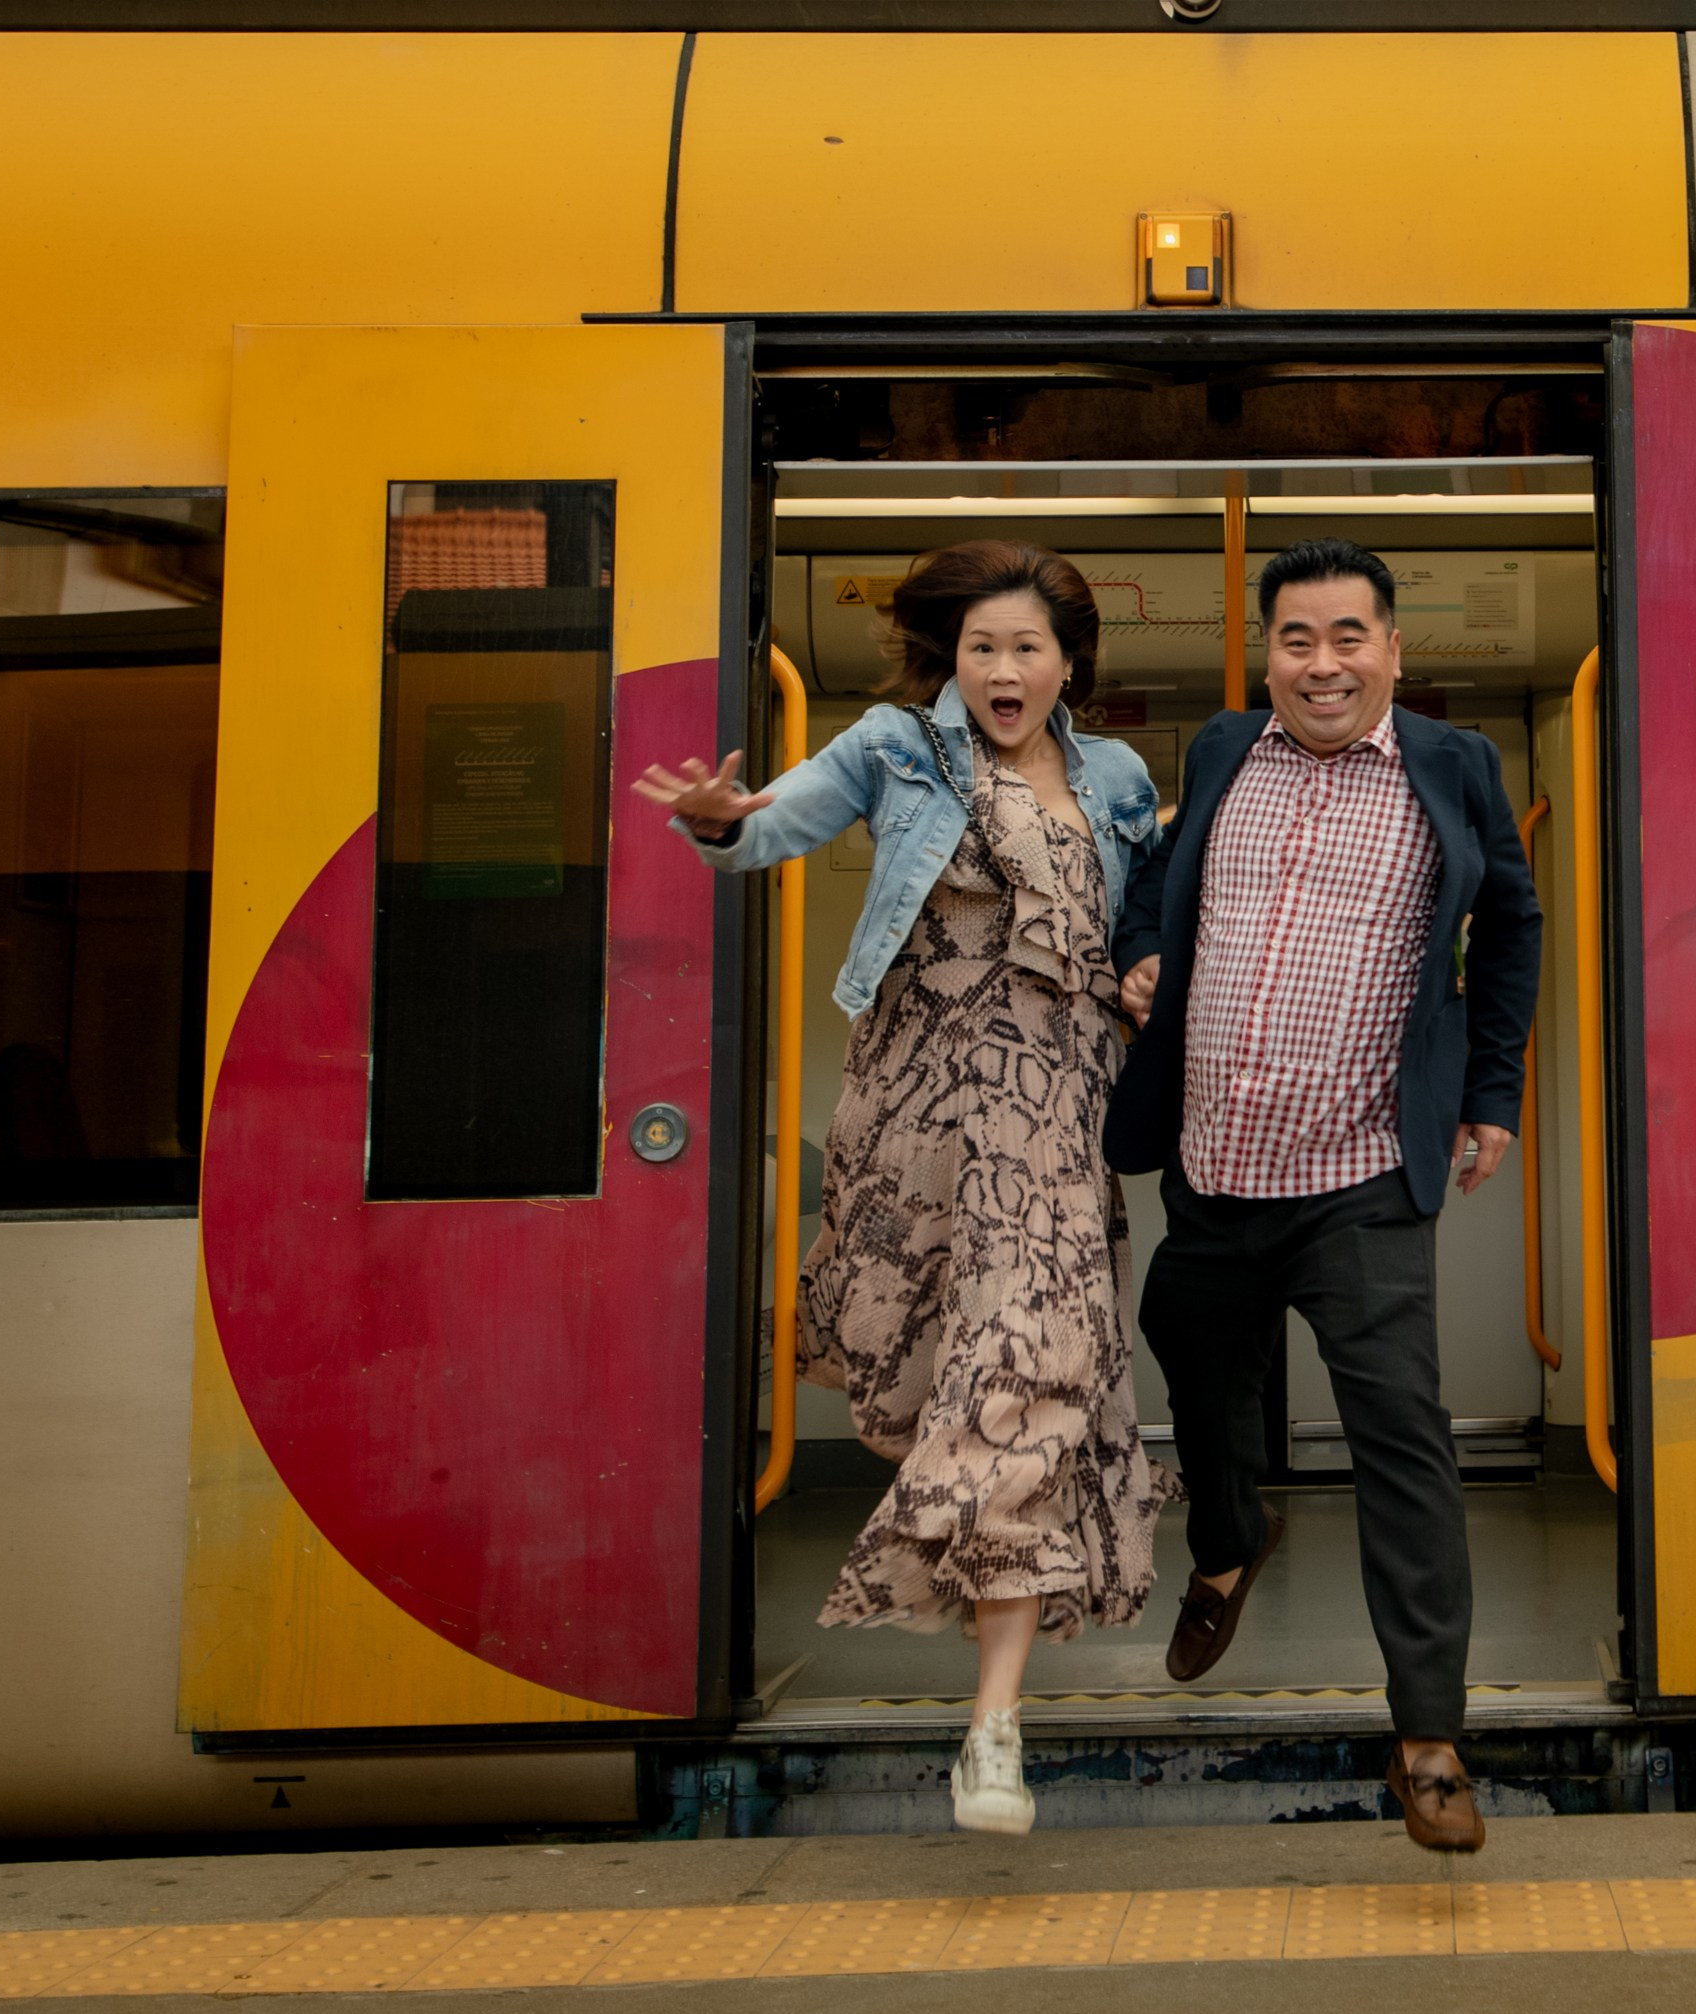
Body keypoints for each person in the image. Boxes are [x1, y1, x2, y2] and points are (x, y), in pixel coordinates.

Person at [633, 541, 1174, 1838]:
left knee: (1030, 1369)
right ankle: (986, 1642)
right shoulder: (894, 748)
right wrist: (716, 819)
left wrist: (1145, 974)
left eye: (1027, 648)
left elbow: (1151, 913)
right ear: (950, 656)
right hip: (920, 1109)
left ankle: (994, 1726)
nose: (1003, 669)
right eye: (980, 647)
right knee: (932, 1371)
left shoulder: (1117, 777)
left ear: (1066, 662)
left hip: (1058, 1110)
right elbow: (772, 822)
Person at [1106, 537, 1542, 1854]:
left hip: (1358, 1175)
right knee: (1184, 1348)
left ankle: (1426, 1735)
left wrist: (1490, 1091)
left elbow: (1510, 924)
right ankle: (1229, 1537)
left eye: (1348, 636)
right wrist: (1137, 953)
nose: (1323, 663)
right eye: (1297, 640)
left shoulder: (1453, 771)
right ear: (1269, 656)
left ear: (1393, 651)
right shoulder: (1220, 752)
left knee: (1400, 1436)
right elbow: (1146, 877)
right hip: (1215, 1165)